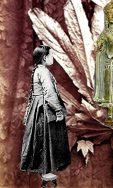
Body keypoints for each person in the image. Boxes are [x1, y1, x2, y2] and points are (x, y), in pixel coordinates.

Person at [20, 45, 71, 187]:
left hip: (38, 107)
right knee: (46, 139)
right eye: (51, 55)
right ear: (44, 58)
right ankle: (46, 169)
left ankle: (45, 169)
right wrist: (58, 111)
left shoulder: (37, 70)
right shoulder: (43, 72)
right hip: (44, 109)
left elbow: (33, 94)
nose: (52, 58)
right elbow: (49, 92)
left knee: (41, 139)